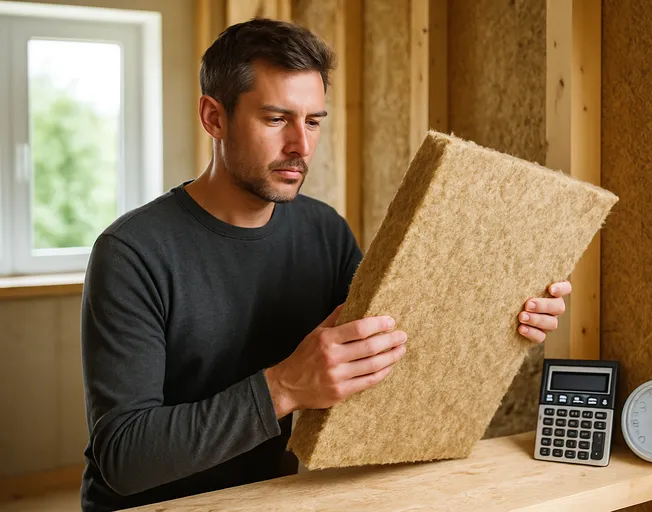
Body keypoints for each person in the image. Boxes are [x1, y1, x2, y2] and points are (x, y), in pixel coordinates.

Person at [79, 17, 571, 512]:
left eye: (313, 121)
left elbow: (389, 360)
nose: (302, 145)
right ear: (214, 117)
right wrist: (286, 386)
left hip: (272, 499)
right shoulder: (131, 252)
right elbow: (124, 458)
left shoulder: (324, 231)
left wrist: (504, 320)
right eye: (276, 119)